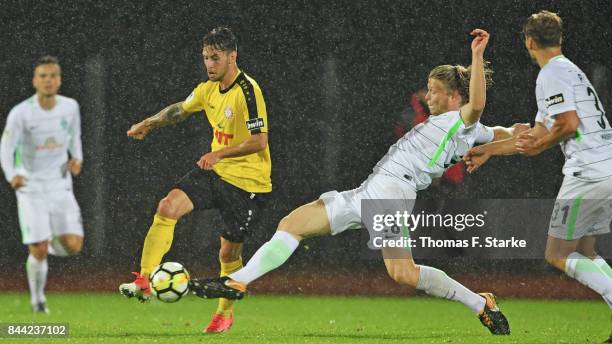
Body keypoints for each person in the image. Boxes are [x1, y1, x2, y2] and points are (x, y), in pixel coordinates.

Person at [190, 29, 518, 335]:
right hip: (372, 189)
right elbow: (505, 132)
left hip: (392, 194)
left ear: (453, 96)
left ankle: (479, 302)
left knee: (403, 273)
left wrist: (477, 56)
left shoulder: (461, 121)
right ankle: (237, 281)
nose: (428, 96)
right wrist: (522, 133)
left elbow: (477, 106)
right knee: (293, 223)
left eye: (434, 91)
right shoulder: (469, 129)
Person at [464, 11, 612, 342]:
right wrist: (492, 150)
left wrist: (543, 142)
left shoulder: (551, 75)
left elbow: (567, 124)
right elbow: (535, 136)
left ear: (529, 42)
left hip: (586, 172)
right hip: (606, 167)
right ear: (559, 39)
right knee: (586, 252)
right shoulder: (568, 71)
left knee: (557, 253)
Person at [118, 27, 271, 334]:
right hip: (215, 173)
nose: (209, 64)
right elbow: (179, 110)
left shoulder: (248, 90)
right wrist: (149, 123)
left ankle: (224, 314)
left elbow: (260, 141)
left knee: (229, 254)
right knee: (167, 206)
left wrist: (220, 154)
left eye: (215, 58)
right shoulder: (208, 89)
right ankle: (145, 279)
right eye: (205, 58)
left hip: (248, 184)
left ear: (232, 56)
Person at [0, 56, 84, 313]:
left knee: (73, 246)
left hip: (60, 184)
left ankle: (44, 242)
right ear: (35, 81)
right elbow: (6, 146)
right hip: (30, 186)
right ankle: (38, 300)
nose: (48, 80)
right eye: (43, 76)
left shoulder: (70, 106)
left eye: (53, 76)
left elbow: (74, 135)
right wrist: (11, 174)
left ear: (59, 80)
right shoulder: (21, 113)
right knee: (38, 248)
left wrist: (77, 158)